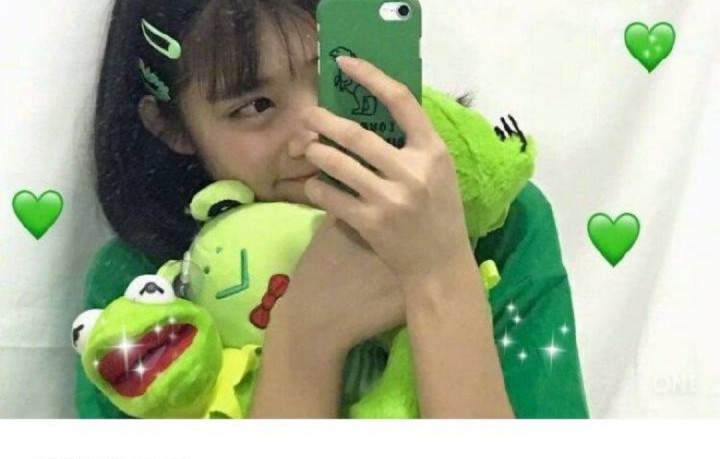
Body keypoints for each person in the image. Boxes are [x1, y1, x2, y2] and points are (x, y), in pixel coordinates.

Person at [77, 0, 588, 419]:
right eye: (254, 106)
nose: (318, 134)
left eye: (338, 80)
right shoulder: (142, 289)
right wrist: (303, 338)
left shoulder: (502, 226)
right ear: (173, 128)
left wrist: (440, 271)